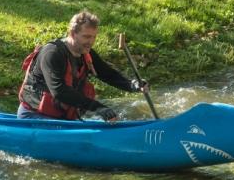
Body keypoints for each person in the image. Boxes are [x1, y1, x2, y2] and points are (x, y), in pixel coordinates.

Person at [18, 10, 149, 121]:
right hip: (34, 117)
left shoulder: (86, 52)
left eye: (94, 37)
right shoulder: (52, 53)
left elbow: (107, 74)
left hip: (61, 119)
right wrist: (97, 107)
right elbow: (59, 91)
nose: (90, 42)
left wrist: (132, 84)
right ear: (72, 33)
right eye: (86, 37)